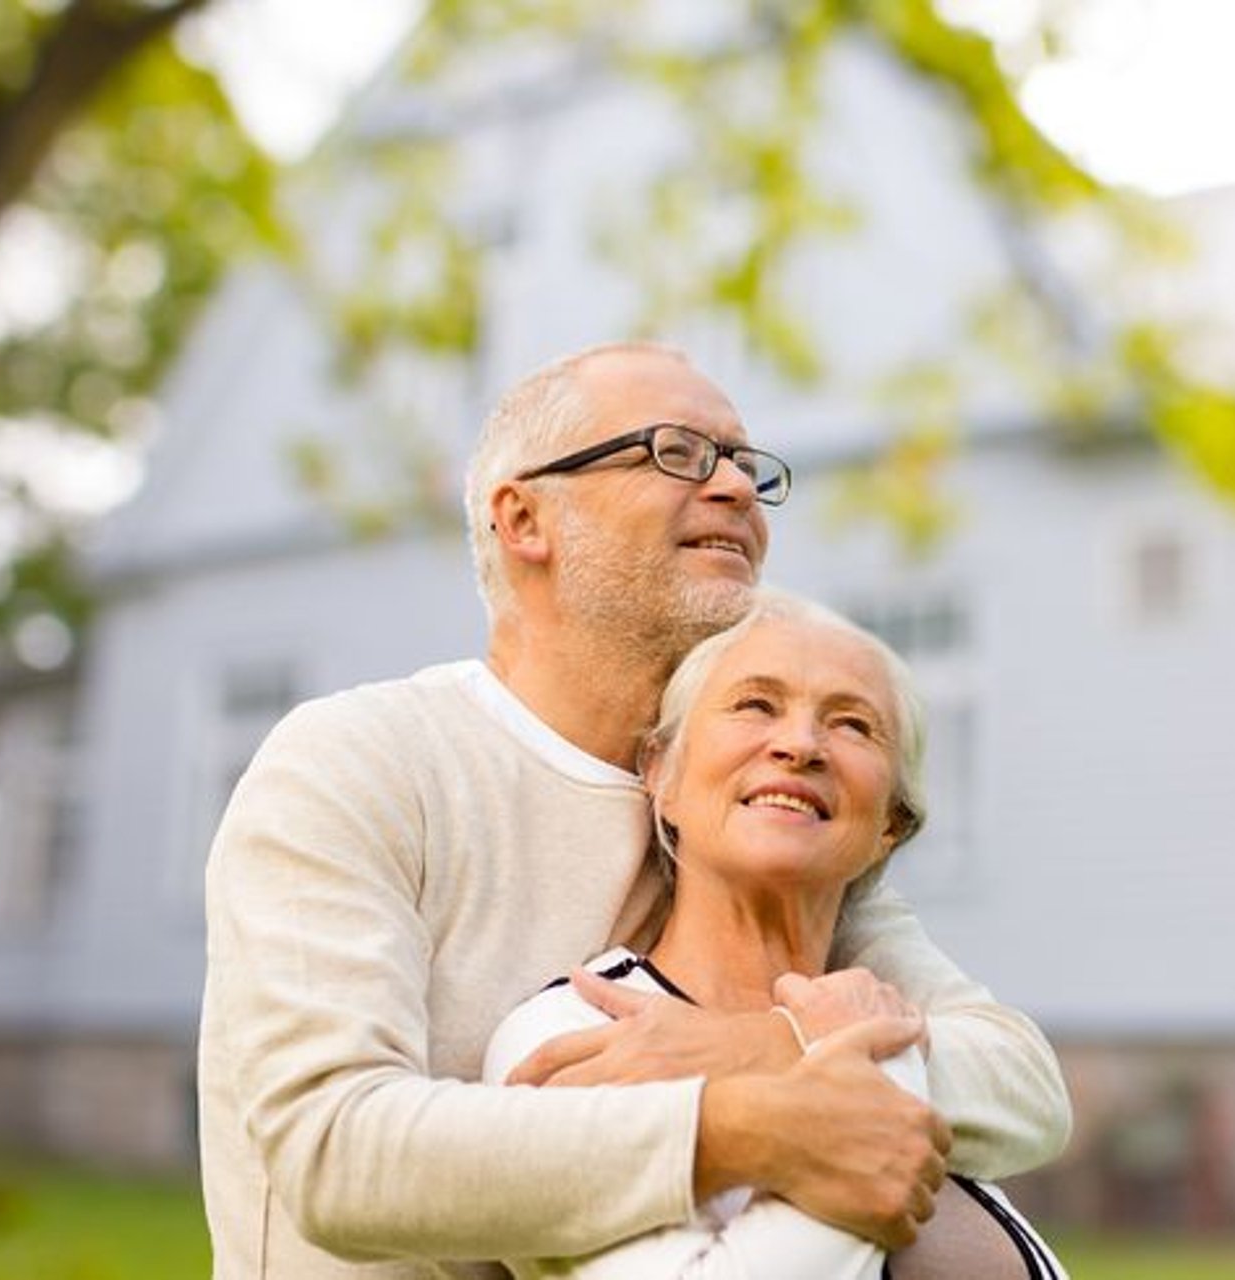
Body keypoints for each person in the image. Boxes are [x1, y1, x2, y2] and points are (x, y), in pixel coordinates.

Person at [198, 342, 1071, 1278]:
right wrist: (742, 1125)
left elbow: (1019, 1082)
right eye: (676, 452)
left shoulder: (746, 815)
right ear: (525, 517)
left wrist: (761, 1046)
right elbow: (334, 1153)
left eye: (744, 462)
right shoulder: (362, 762)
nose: (736, 486)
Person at [484, 590, 1066, 1278]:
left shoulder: (885, 1016)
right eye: (755, 705)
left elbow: (1035, 1101)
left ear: (891, 827)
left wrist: (804, 1047)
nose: (799, 746)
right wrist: (866, 1070)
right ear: (661, 775)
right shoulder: (575, 1030)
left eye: (852, 725)